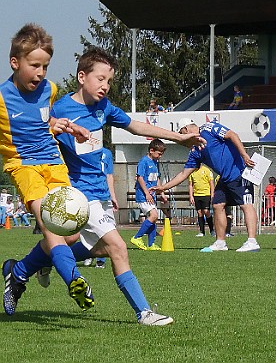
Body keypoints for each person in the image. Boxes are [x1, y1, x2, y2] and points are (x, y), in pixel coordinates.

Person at [50, 47, 205, 325]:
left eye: (109, 81)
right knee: (118, 248)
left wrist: (177, 138)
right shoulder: (61, 109)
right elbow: (42, 139)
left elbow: (136, 127)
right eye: (100, 79)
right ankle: (144, 312)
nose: (105, 86)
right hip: (78, 192)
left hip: (98, 192)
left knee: (98, 248)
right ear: (82, 77)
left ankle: (35, 264)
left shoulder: (104, 108)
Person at [0, 23, 93, 316]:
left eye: (45, 66)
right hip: (24, 166)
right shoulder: (1, 98)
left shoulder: (49, 90)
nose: (41, 73)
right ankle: (74, 281)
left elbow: (45, 120)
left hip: (54, 163)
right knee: (51, 222)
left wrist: (66, 126)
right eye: (34, 65)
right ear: (15, 63)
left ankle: (18, 272)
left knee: (72, 234)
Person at [151, 117, 261, 252]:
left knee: (246, 204)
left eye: (181, 134)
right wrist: (163, 187)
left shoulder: (209, 128)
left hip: (238, 172)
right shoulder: (195, 151)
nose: (182, 139)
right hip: (224, 178)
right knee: (217, 205)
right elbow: (184, 174)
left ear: (186, 129)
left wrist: (244, 155)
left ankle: (252, 241)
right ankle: (220, 242)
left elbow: (232, 135)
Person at [130, 139, 167, 250]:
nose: (160, 156)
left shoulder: (155, 162)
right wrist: (146, 193)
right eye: (159, 154)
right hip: (143, 195)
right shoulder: (144, 161)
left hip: (152, 195)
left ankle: (151, 244)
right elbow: (140, 177)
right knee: (154, 215)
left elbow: (157, 178)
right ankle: (137, 237)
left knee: (153, 218)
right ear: (151, 150)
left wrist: (162, 192)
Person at [83, 147, 116, 268]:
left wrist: (113, 196)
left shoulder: (107, 153)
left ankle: (99, 259)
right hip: (90, 196)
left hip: (105, 195)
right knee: (91, 230)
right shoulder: (84, 150)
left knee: (110, 228)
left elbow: (109, 175)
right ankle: (88, 254)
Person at [188, 164, 215, 237]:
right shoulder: (192, 172)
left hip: (206, 194)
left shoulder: (206, 170)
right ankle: (202, 231)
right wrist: (191, 196)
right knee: (199, 212)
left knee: (206, 211)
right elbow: (190, 185)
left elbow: (211, 183)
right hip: (197, 195)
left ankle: (212, 230)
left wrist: (212, 194)